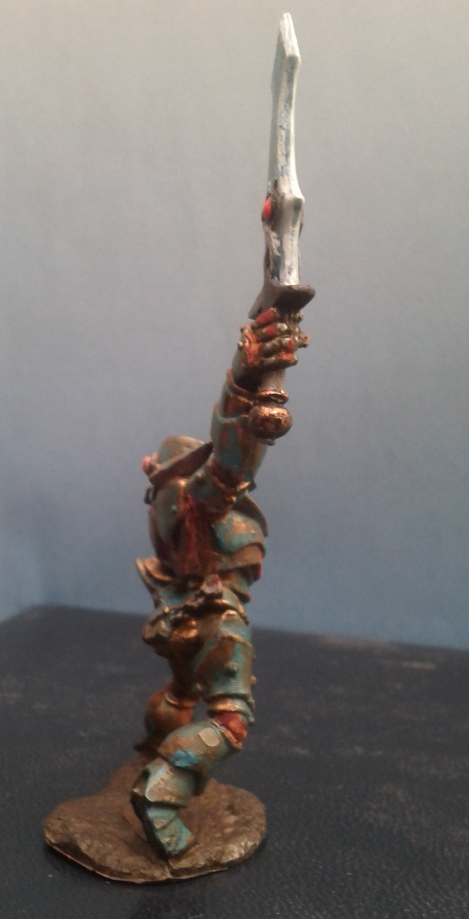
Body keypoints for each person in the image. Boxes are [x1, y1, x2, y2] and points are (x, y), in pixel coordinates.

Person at [132, 296, 308, 862]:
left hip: (177, 614)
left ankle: (154, 746)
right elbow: (231, 467)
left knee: (182, 693)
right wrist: (241, 380)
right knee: (231, 721)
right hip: (215, 618)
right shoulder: (193, 501)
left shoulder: (168, 505)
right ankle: (160, 797)